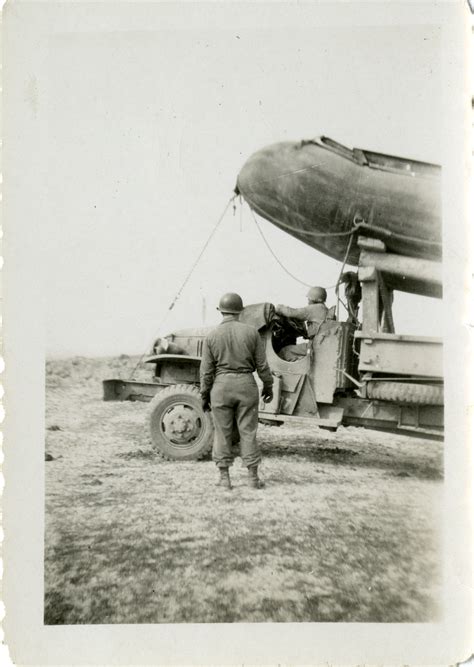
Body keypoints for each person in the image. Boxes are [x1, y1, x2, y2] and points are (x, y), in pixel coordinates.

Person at [200, 292, 274, 490]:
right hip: (246, 386)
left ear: (221, 311)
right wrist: (268, 386)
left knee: (222, 433)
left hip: (221, 387)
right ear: (240, 311)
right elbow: (262, 365)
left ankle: (225, 479)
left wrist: (204, 395)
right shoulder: (252, 333)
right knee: (248, 432)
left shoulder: (212, 335)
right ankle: (252, 479)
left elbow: (206, 372)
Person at [274, 286, 329, 361]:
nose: (308, 301)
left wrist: (279, 308)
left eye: (309, 298)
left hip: (315, 347)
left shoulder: (315, 308)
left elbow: (292, 313)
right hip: (321, 346)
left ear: (313, 299)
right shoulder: (325, 310)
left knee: (285, 351)